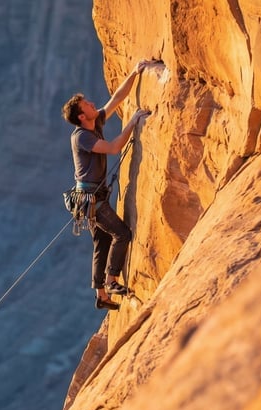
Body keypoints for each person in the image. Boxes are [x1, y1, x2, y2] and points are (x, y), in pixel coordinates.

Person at [62, 59, 157, 310]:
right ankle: (113, 281)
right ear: (82, 116)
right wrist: (133, 121)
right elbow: (115, 148)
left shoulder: (95, 123)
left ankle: (101, 295)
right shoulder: (82, 136)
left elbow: (116, 98)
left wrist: (135, 72)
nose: (94, 105)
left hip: (92, 198)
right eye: (88, 106)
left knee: (101, 242)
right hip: (92, 200)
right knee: (121, 234)